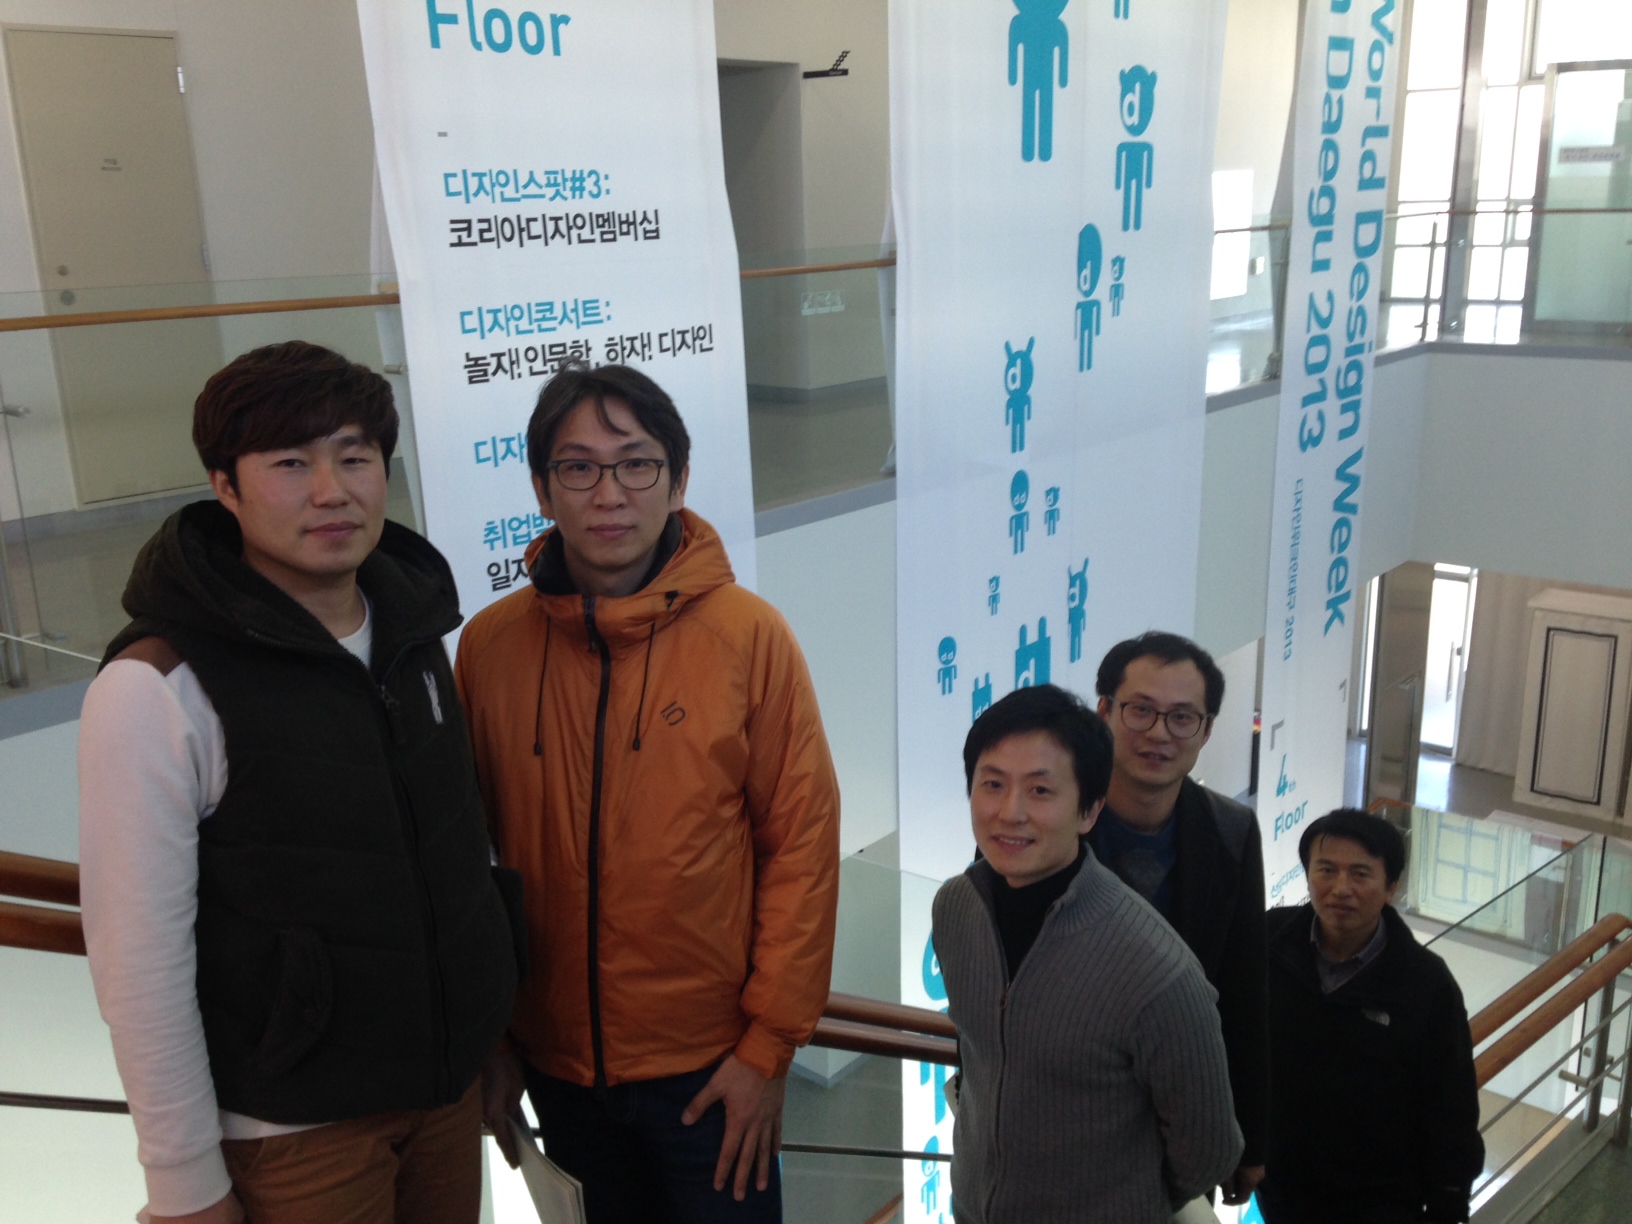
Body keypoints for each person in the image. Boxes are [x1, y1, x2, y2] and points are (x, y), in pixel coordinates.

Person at [78, 341, 519, 1224]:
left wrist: (489, 1041)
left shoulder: (412, 632)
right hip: (293, 1134)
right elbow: (139, 962)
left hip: (442, 1097)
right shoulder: (157, 686)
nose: (331, 491)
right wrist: (183, 1183)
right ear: (225, 486)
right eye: (290, 463)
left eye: (355, 457)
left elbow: (457, 856)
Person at [456, 362, 840, 1223]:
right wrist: (495, 1038)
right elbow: (463, 859)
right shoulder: (491, 648)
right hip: (557, 1070)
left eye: (636, 464)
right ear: (542, 489)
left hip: (712, 1072)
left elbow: (802, 848)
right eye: (578, 468)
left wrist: (768, 1049)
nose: (609, 494)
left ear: (678, 480)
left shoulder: (748, 638)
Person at [931, 684, 1242, 1224]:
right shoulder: (956, 908)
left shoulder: (1155, 969)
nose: (1010, 812)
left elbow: (1208, 1151)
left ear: (1090, 810)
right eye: (992, 784)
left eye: (1040, 790)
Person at [1090, 631, 1268, 1207]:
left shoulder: (1231, 831)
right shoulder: (1050, 820)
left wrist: (1248, 1136)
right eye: (1140, 710)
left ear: (1207, 730)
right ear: (1104, 711)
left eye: (1182, 717)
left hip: (1181, 1119)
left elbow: (1243, 990)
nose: (1159, 733)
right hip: (1068, 1111)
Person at [1259, 809, 1484, 1224]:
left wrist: (1449, 1204)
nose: (1340, 888)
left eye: (1360, 874)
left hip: (1380, 1202)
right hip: (1280, 1189)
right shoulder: (1270, 940)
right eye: (1326, 870)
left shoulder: (1425, 984)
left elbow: (1450, 1106)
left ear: (1390, 888)